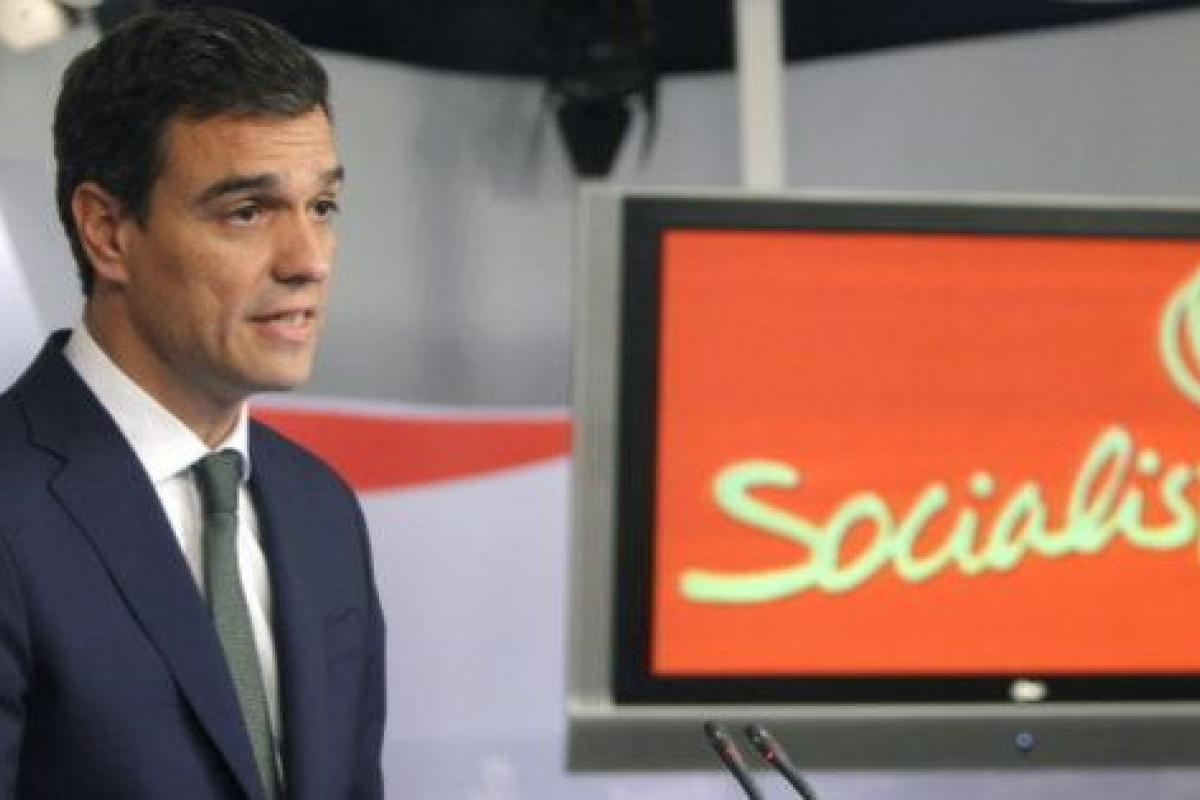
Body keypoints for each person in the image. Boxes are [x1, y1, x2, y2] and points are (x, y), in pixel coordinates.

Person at [0, 7, 385, 799]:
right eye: (247, 212)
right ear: (108, 231)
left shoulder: (322, 509)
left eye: (322, 207)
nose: (307, 261)